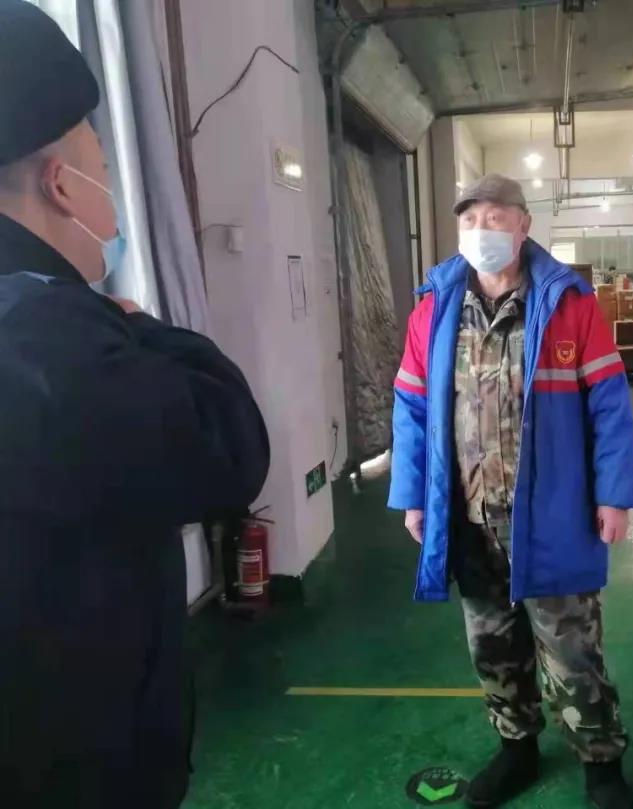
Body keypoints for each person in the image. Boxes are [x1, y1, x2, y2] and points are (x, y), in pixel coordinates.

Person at [0, 3, 270, 807]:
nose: (110, 191)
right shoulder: (45, 333)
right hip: (72, 755)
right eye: (102, 165)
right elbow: (228, 447)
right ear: (60, 183)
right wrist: (145, 327)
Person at [389, 174, 633, 809]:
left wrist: (614, 494)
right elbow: (412, 409)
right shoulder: (434, 308)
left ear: (524, 225)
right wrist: (415, 496)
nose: (482, 231)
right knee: (493, 645)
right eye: (470, 220)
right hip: (469, 515)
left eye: (496, 218)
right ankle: (516, 750)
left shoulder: (568, 305)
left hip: (552, 513)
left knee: (572, 649)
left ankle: (602, 765)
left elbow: (609, 405)